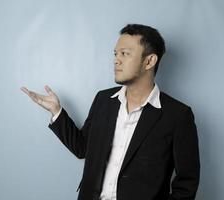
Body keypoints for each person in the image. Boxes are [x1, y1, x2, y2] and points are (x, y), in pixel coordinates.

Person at [21, 24, 200, 200]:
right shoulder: (104, 100)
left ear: (149, 61)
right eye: (115, 53)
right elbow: (82, 148)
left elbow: (187, 183)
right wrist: (56, 111)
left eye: (125, 53)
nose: (116, 60)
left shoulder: (177, 115)